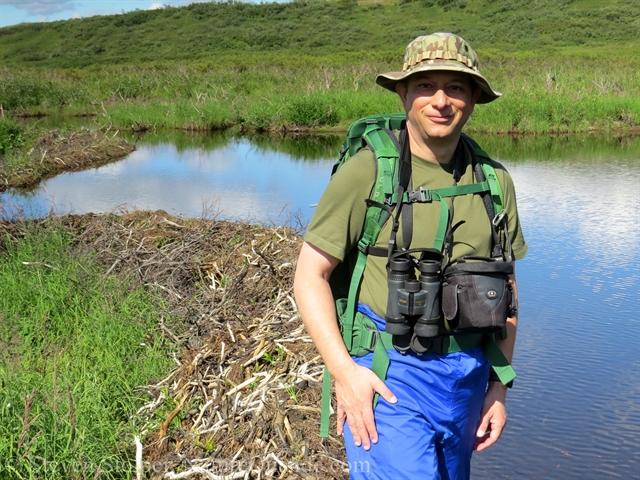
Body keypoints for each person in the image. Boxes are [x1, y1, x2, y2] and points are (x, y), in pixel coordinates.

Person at [294, 32, 528, 479]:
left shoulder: (495, 181)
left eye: (456, 87)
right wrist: (345, 373)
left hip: (467, 378)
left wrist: (498, 385)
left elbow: (507, 292)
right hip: (388, 375)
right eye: (425, 85)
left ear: (474, 98)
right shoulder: (367, 171)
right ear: (403, 92)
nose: (441, 100)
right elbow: (309, 276)